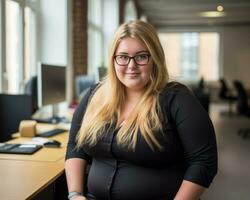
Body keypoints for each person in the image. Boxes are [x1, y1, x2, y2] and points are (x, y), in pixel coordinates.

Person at [65, 20, 217, 200]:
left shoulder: (177, 99)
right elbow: (75, 146)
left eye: (141, 56)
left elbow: (204, 162)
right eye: (122, 56)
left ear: (155, 58)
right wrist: (75, 195)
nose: (131, 66)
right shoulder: (95, 95)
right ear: (113, 59)